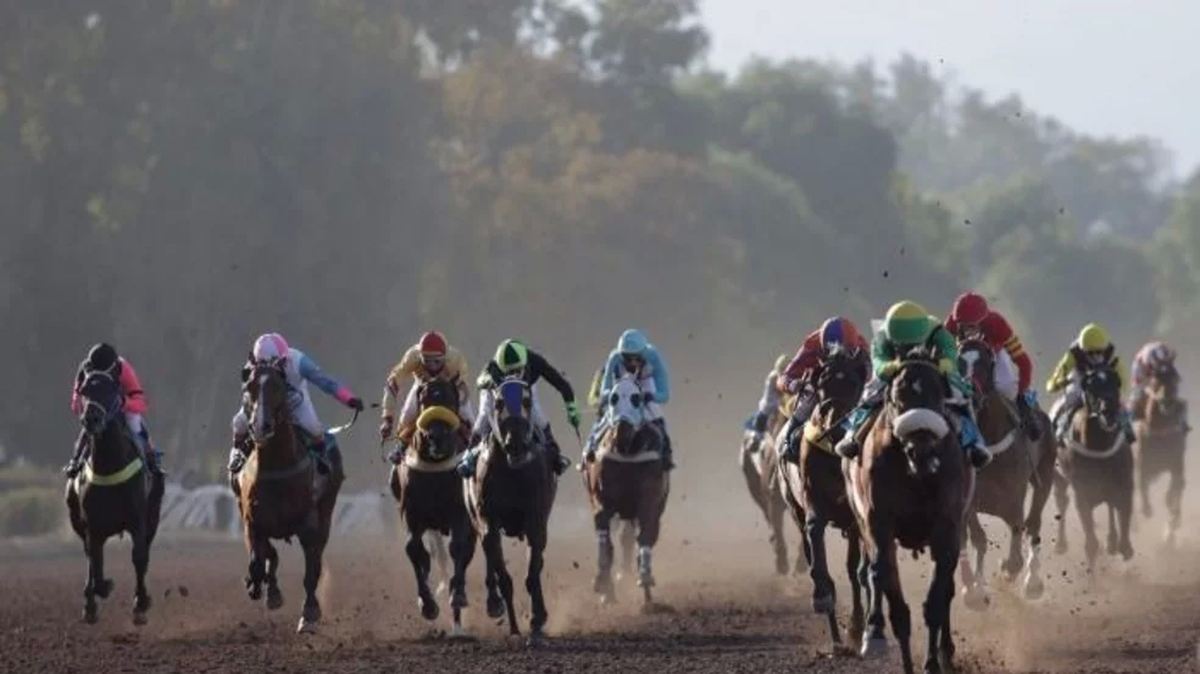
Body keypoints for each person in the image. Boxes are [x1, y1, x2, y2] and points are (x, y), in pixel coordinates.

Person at [833, 301, 992, 468]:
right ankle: (851, 437)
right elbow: (879, 361)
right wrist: (890, 367)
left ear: (923, 333)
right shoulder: (882, 335)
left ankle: (975, 443)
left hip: (931, 366)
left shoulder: (938, 331)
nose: (908, 347)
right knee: (869, 396)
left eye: (913, 344)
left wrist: (945, 363)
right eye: (902, 345)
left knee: (960, 396)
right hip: (896, 369)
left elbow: (950, 352)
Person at [228, 333, 364, 474]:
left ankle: (320, 458)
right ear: (257, 362)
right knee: (239, 422)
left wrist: (348, 398)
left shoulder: (299, 361)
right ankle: (237, 452)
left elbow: (324, 381)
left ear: (284, 358)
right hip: (262, 401)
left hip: (294, 399)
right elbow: (248, 392)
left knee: (313, 428)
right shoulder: (252, 365)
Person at [456, 339, 579, 477]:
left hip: (524, 388)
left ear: (525, 363)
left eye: (517, 371)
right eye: (509, 372)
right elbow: (480, 381)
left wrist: (572, 409)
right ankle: (469, 456)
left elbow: (561, 384)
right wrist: (494, 382)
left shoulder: (535, 361)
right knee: (484, 418)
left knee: (538, 415)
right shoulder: (493, 367)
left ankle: (554, 453)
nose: (513, 375)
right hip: (495, 392)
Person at [944, 291, 1041, 440]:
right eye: (965, 327)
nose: (969, 332)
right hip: (962, 358)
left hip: (994, 356)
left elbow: (1024, 363)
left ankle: (1024, 419)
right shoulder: (950, 326)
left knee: (1007, 387)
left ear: (983, 321)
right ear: (957, 323)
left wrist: (1021, 394)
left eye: (973, 326)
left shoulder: (997, 323)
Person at [773, 317, 871, 462]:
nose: (838, 354)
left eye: (846, 351)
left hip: (850, 384)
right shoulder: (812, 345)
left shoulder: (861, 345)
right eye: (831, 351)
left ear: (854, 346)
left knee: (868, 402)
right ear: (822, 346)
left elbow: (870, 374)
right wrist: (793, 384)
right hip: (822, 383)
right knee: (806, 405)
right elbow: (784, 378)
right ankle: (788, 442)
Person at [64, 343, 163, 477]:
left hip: (121, 404)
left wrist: (124, 402)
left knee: (135, 425)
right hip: (97, 405)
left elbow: (141, 402)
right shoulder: (85, 367)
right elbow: (77, 391)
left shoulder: (123, 368)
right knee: (88, 426)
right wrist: (77, 404)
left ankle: (151, 458)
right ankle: (75, 461)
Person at [583, 329, 674, 470]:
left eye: (636, 358)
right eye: (627, 358)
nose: (632, 363)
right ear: (621, 355)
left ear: (644, 354)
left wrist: (650, 396)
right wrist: (610, 396)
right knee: (605, 415)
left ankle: (666, 452)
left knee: (655, 412)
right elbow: (604, 390)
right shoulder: (614, 358)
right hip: (622, 386)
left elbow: (665, 394)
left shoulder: (654, 357)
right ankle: (590, 447)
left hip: (645, 383)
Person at [379, 331, 473, 464]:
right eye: (426, 361)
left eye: (436, 361)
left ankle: (473, 450)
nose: (432, 366)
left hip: (450, 386)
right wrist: (387, 419)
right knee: (406, 417)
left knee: (470, 420)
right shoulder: (412, 356)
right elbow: (393, 383)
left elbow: (463, 385)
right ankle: (400, 447)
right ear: (419, 357)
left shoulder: (456, 359)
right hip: (422, 386)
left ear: (445, 357)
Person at [1045, 323, 1135, 443]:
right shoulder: (1072, 355)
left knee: (1120, 403)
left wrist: (1119, 396)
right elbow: (1053, 380)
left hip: (1104, 382)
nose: (1096, 357)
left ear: (1105, 348)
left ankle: (1127, 428)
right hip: (1080, 380)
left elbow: (1124, 382)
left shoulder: (1113, 356)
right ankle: (1055, 431)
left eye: (1099, 352)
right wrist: (1058, 383)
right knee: (1068, 400)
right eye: (1090, 353)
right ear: (1082, 350)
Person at [743, 354, 791, 454]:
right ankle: (756, 438)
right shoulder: (772, 379)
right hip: (774, 406)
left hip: (789, 403)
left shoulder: (796, 373)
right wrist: (782, 402)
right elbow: (769, 399)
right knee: (762, 416)